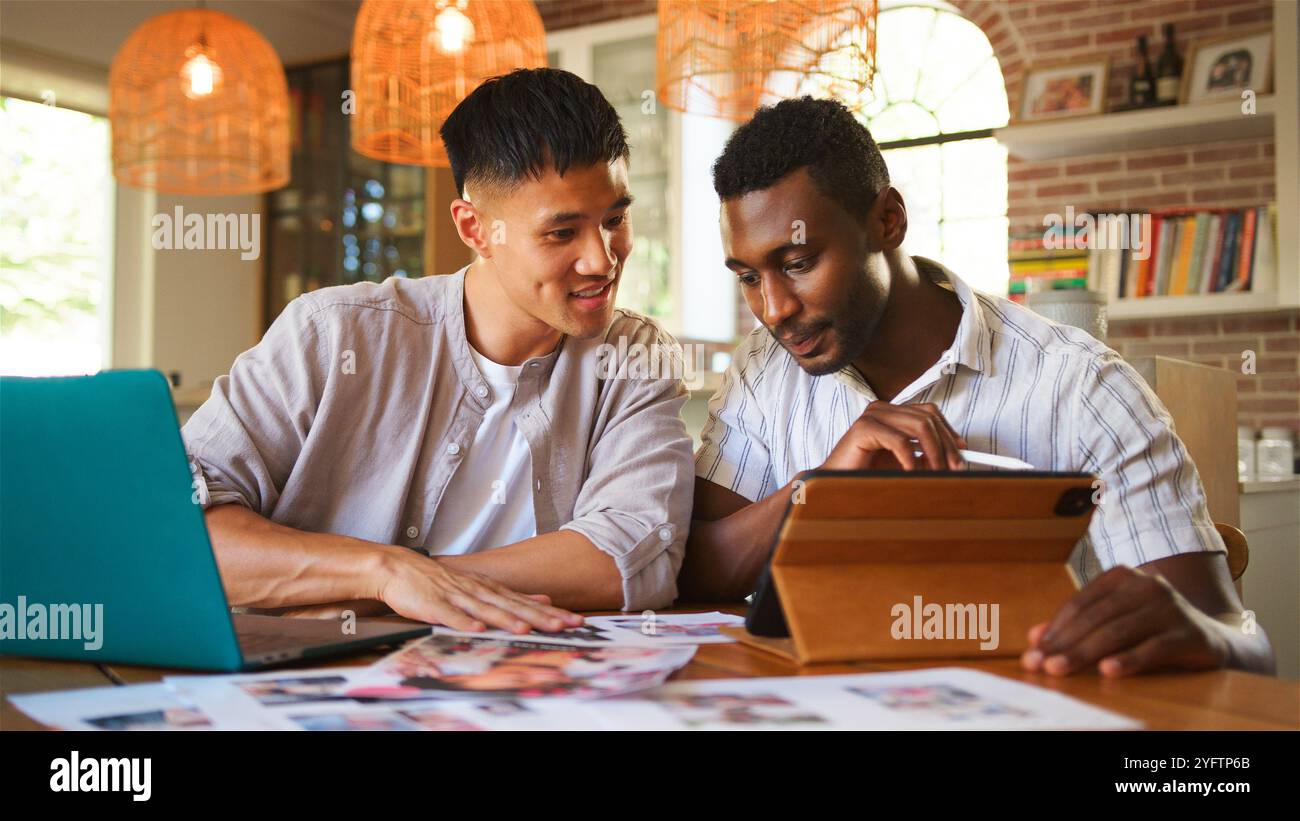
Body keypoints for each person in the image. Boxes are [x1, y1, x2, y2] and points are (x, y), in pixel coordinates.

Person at [682, 96, 1274, 678]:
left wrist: (1202, 634)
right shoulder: (764, 372)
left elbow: (1245, 646)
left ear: (888, 221)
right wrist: (821, 491)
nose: (773, 309)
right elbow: (695, 568)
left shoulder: (1083, 389)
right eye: (749, 277)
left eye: (798, 262)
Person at [183, 68, 694, 634]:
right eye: (561, 233)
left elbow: (634, 558)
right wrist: (382, 571)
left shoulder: (634, 356)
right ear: (475, 228)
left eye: (615, 220)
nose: (602, 260)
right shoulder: (332, 335)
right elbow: (176, 535)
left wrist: (405, 585)